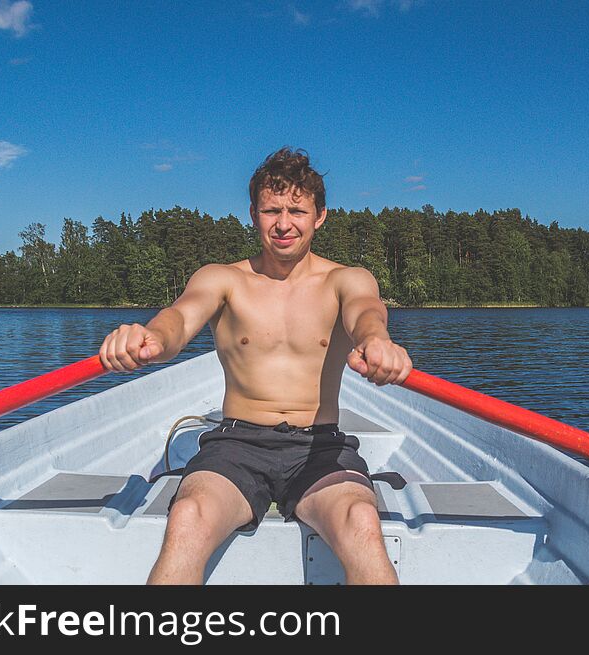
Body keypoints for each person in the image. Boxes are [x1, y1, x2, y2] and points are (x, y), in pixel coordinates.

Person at [98, 147, 412, 585]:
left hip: (319, 445)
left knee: (361, 519)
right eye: (271, 210)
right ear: (253, 214)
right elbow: (180, 318)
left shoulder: (347, 279)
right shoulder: (222, 278)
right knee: (187, 515)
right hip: (237, 444)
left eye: (297, 210)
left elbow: (366, 315)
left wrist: (378, 342)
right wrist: (148, 338)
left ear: (319, 216)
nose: (284, 223)